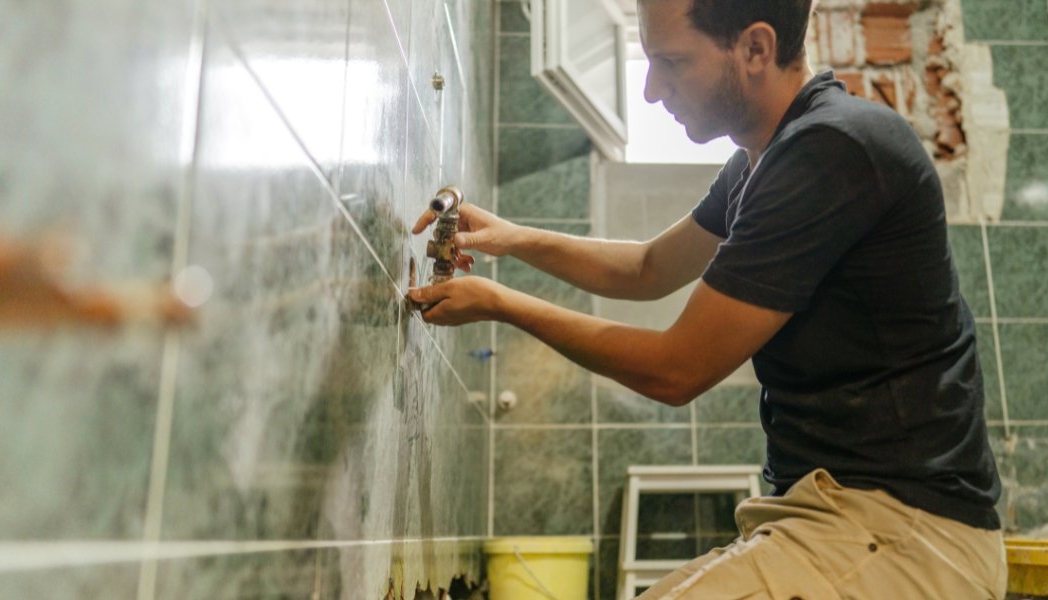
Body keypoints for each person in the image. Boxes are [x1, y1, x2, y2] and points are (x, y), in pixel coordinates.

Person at [408, 0, 1005, 596]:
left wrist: (502, 303)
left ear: (755, 49)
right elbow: (648, 269)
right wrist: (513, 239)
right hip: (831, 519)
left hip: (909, 536)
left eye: (670, 62)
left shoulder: (833, 148)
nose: (649, 90)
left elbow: (677, 370)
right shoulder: (758, 163)